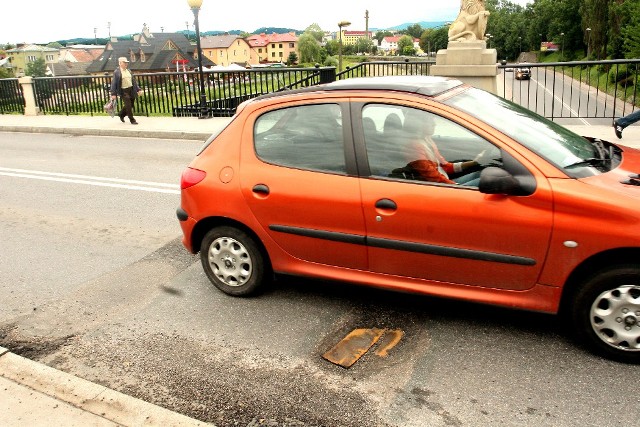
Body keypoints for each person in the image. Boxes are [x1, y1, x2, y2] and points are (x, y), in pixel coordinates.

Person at [110, 57, 142, 125]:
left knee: (131, 105)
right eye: (124, 62)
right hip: (123, 91)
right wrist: (113, 94)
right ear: (120, 63)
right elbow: (114, 83)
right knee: (128, 106)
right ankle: (132, 120)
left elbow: (134, 81)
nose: (126, 64)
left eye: (126, 62)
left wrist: (138, 89)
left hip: (131, 90)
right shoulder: (117, 72)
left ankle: (121, 114)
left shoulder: (129, 71)